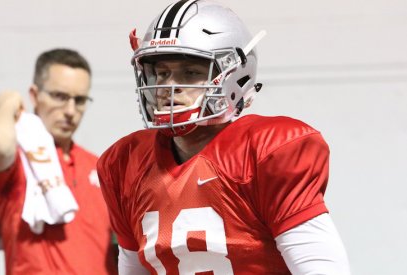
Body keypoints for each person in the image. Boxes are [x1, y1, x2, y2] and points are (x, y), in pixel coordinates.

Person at [97, 0, 351, 274]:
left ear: (235, 74)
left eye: (191, 73)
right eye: (162, 72)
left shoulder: (265, 152)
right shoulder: (124, 164)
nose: (168, 87)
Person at [0, 48, 117, 274]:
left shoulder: (100, 167)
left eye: (79, 100)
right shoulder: (17, 162)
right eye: (59, 96)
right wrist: (7, 102)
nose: (70, 110)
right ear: (34, 95)